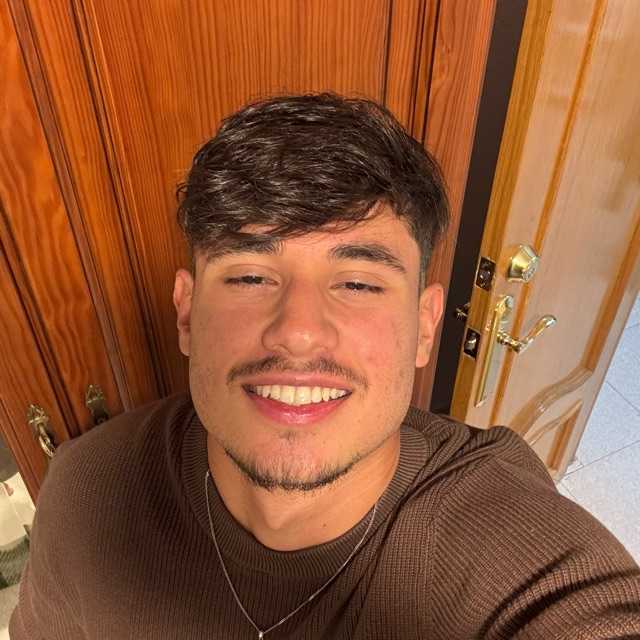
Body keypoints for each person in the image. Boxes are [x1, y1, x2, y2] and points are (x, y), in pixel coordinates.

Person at [10, 93, 640, 639]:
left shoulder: (528, 571)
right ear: (187, 313)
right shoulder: (87, 489)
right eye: (250, 276)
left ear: (424, 326)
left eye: (359, 283)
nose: (298, 331)